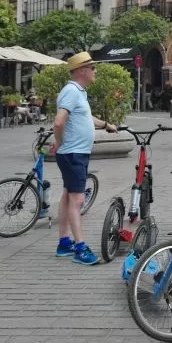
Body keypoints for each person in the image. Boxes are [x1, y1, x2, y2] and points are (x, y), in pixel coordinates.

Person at [53, 52, 117, 265]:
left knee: (68, 197)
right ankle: (80, 247)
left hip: (74, 153)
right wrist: (60, 143)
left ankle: (64, 243)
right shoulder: (71, 91)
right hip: (73, 153)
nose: (95, 71)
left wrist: (106, 125)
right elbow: (59, 122)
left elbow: (84, 117)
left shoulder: (78, 92)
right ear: (82, 70)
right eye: (93, 68)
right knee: (78, 200)